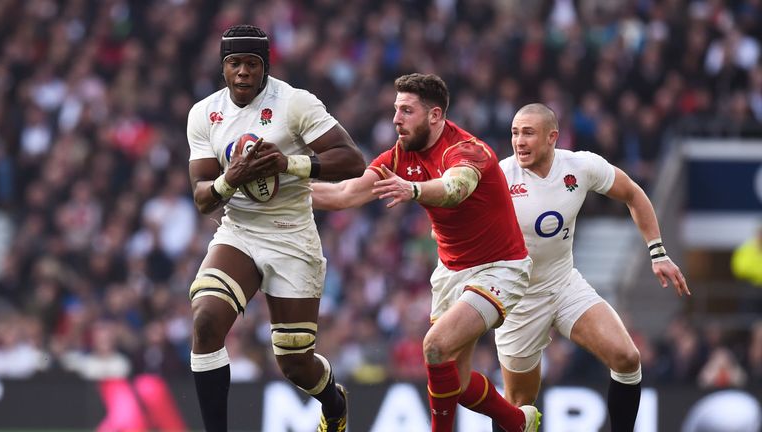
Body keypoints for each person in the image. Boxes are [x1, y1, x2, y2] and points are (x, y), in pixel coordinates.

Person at [312, 73, 541, 432]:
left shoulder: (468, 150)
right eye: (395, 110)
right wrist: (281, 192)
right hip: (452, 272)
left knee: (434, 347)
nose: (395, 119)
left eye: (406, 111)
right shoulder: (401, 155)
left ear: (435, 116)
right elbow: (345, 194)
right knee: (459, 383)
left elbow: (456, 187)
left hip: (499, 268)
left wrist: (413, 189)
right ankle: (518, 422)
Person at [186, 24, 365, 432]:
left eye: (252, 63)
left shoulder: (294, 103)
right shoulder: (204, 113)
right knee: (206, 321)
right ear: (223, 68)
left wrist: (291, 163)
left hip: (291, 235)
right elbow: (202, 198)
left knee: (295, 364)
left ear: (265, 66)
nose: (244, 72)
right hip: (240, 230)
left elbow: (352, 159)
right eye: (235, 64)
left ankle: (334, 403)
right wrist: (231, 178)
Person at [493, 103, 690, 432]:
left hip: (563, 284)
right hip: (519, 301)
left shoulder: (580, 167)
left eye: (528, 132)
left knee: (627, 359)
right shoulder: (500, 177)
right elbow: (459, 211)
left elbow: (634, 194)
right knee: (519, 409)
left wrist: (657, 253)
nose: (518, 141)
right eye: (514, 133)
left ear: (552, 137)